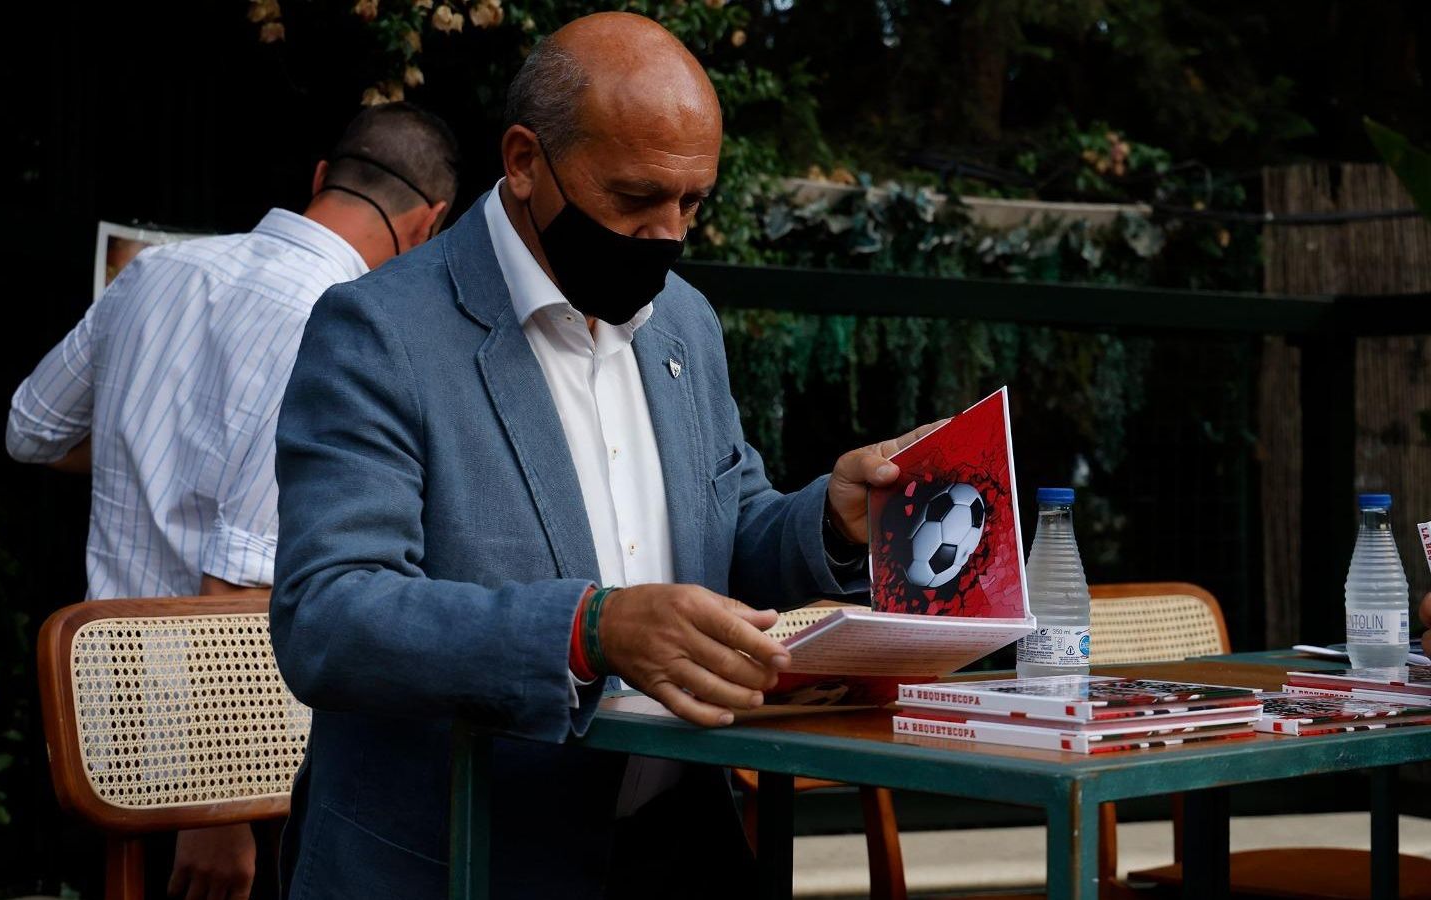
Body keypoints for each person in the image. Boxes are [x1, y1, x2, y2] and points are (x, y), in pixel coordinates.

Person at [269, 13, 940, 899]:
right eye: (634, 198)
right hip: (463, 858)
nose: (666, 234)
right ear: (524, 161)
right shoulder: (380, 329)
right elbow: (329, 616)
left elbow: (724, 535)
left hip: (679, 849)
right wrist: (588, 630)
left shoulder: (684, 322)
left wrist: (829, 522)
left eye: (692, 203)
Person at [5, 102, 458, 900]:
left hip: (105, 719)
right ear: (430, 224)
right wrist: (214, 814)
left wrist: (145, 444)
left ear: (321, 177)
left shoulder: (157, 271)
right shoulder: (343, 321)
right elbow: (239, 578)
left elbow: (32, 430)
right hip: (232, 761)